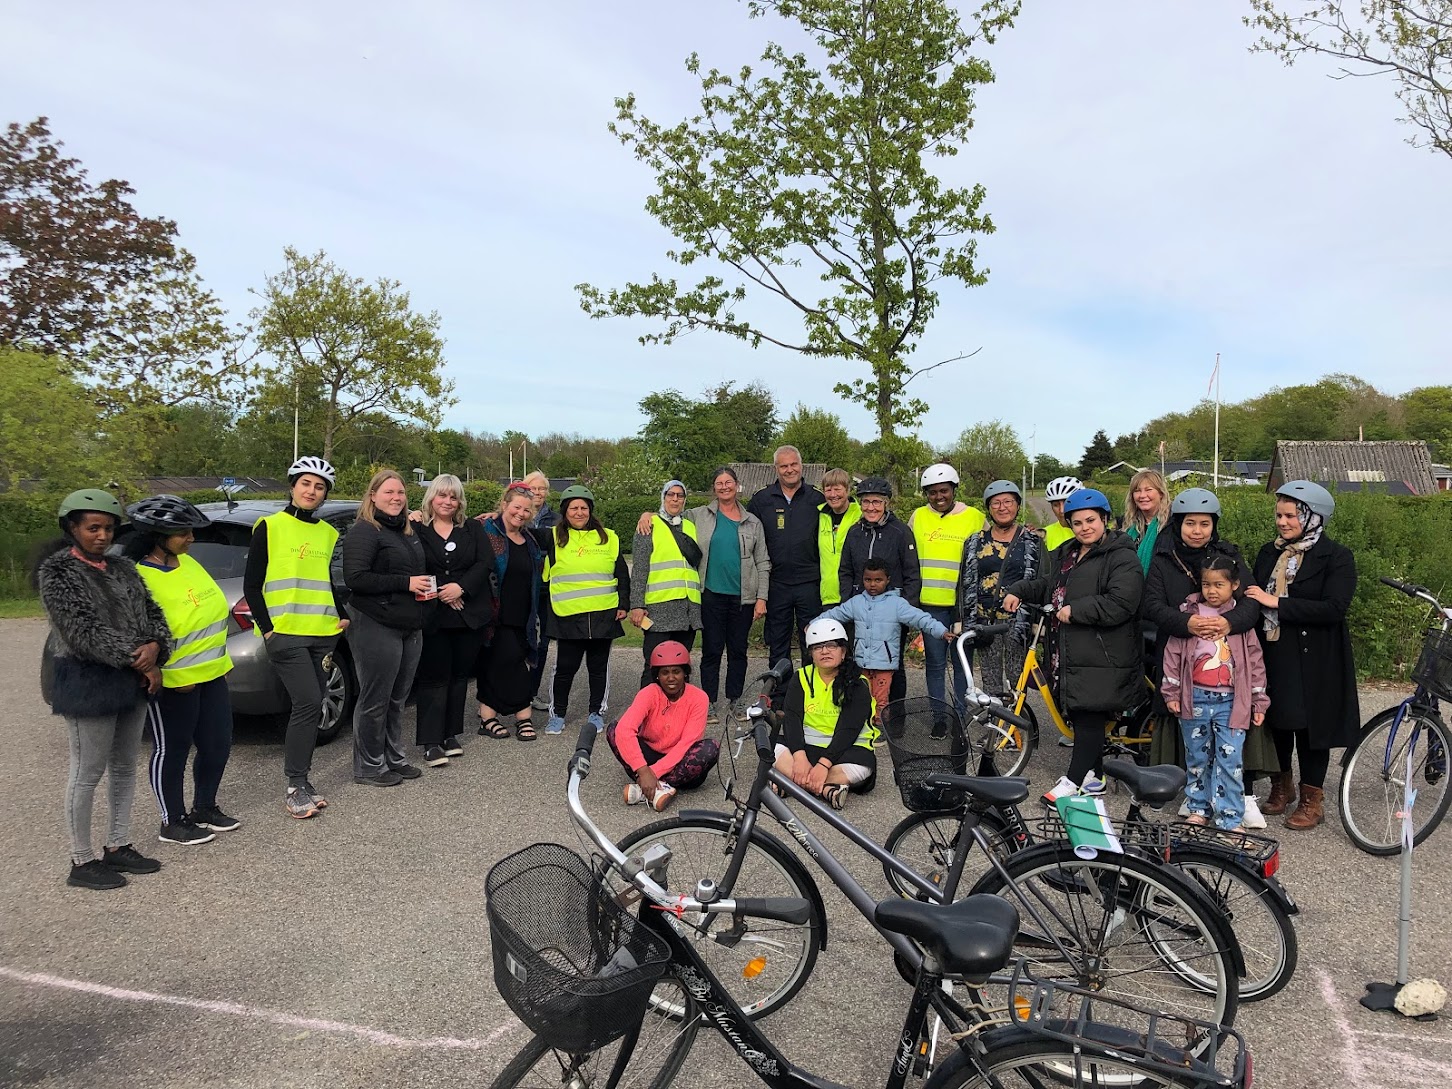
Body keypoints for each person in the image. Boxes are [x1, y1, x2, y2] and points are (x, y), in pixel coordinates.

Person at [37, 489, 171, 890]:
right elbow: (80, 631)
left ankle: (118, 844)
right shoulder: (58, 573)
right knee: (86, 771)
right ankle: (81, 860)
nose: (102, 535)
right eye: (93, 527)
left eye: (108, 528)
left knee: (125, 765)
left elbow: (152, 614)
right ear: (72, 528)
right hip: (88, 681)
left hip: (132, 680)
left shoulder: (123, 568)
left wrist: (156, 648)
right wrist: (137, 658)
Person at [1141, 488, 1272, 828]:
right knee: (1194, 746)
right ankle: (1194, 801)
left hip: (1230, 672)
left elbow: (1251, 601)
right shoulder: (1162, 557)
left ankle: (1236, 805)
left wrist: (1228, 623)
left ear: (1213, 525)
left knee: (1230, 749)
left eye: (1203, 524)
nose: (1196, 531)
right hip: (1183, 657)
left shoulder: (1228, 556)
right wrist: (1188, 623)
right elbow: (1151, 605)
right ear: (1178, 524)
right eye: (1189, 523)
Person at [1003, 488, 1144, 800]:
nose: (1085, 527)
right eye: (1077, 522)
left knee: (1089, 714)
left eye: (1091, 520)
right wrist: (1019, 590)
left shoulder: (1122, 556)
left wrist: (1077, 610)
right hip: (1072, 650)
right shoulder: (1068, 552)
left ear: (1105, 519)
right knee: (1081, 714)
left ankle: (1073, 781)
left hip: (1103, 653)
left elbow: (1123, 600)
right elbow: (1047, 584)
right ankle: (1094, 779)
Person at [124, 496, 238, 846]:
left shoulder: (187, 563)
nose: (191, 537)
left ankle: (204, 807)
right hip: (173, 683)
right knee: (171, 749)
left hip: (211, 673)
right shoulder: (137, 577)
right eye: (182, 532)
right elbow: (136, 634)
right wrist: (163, 669)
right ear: (156, 534)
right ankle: (172, 821)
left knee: (217, 744)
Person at [1246, 480, 1359, 830]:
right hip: (1274, 649)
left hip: (1314, 657)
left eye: (1291, 516)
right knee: (1277, 720)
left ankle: (1313, 799)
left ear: (1313, 517)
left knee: (1311, 730)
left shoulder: (1336, 557)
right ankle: (1282, 785)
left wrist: (1277, 602)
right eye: (1279, 515)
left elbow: (1333, 609)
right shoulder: (1269, 553)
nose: (1282, 522)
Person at [244, 455, 348, 820]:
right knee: (307, 702)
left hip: (322, 631)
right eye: (306, 483)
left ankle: (303, 781)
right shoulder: (269, 526)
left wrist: (343, 615)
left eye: (319, 487)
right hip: (285, 633)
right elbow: (252, 584)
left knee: (315, 701)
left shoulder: (328, 532)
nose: (312, 491)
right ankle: (295, 785)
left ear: (324, 495)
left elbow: (326, 580)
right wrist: (267, 627)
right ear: (293, 486)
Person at [1162, 556, 1270, 832]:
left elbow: (1255, 662)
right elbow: (1173, 655)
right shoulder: (1190, 615)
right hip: (1194, 698)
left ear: (1234, 585)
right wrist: (1171, 691)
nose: (1211, 590)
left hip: (1231, 703)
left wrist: (1259, 701)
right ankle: (1198, 807)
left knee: (1230, 760)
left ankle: (1230, 817)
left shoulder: (1239, 621)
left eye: (1219, 584)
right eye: (1206, 584)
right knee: (1197, 757)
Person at [343, 469, 428, 787]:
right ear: (373, 496)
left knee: (397, 698)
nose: (396, 497)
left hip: (408, 625)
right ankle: (368, 766)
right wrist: (406, 583)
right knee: (375, 698)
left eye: (401, 492)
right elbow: (356, 578)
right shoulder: (365, 531)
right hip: (375, 624)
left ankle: (394, 757)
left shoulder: (406, 530)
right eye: (389, 492)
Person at [414, 475, 493, 767]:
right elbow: (413, 565)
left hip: (466, 616)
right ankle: (430, 741)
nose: (447, 502)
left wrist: (461, 588)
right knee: (433, 677)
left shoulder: (472, 528)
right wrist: (443, 592)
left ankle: (450, 735)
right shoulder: (417, 529)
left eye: (453, 497)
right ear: (431, 498)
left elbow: (485, 562)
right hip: (433, 616)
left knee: (459, 677)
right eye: (442, 496)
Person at [816, 558, 952, 723]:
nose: (872, 584)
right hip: (862, 663)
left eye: (878, 580)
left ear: (887, 580)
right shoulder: (856, 602)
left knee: (881, 700)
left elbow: (921, 618)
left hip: (884, 666)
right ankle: (863, 726)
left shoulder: (897, 604)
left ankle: (880, 728)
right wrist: (814, 624)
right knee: (862, 697)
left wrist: (941, 631)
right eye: (868, 580)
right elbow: (836, 613)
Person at [542, 485, 629, 736]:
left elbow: (621, 573)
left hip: (603, 615)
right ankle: (557, 714)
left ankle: (596, 713)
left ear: (590, 510)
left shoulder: (609, 537)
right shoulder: (552, 536)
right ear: (565, 511)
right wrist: (495, 516)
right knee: (565, 669)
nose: (579, 512)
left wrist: (623, 604)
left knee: (598, 668)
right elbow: (519, 529)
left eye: (583, 508)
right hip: (568, 615)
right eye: (573, 508)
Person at [691, 467, 770, 722]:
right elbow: (668, 516)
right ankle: (709, 703)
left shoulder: (752, 522)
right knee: (712, 651)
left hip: (742, 598)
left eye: (728, 482)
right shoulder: (698, 516)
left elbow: (763, 561)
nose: (724, 487)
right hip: (711, 595)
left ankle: (736, 701)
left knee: (738, 650)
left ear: (737, 485)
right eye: (719, 483)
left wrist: (762, 597)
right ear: (714, 488)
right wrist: (649, 514)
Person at [773, 618, 877, 809]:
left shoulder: (857, 683)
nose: (825, 651)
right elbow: (792, 719)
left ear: (843, 651)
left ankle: (792, 783)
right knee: (771, 745)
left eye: (831, 646)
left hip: (846, 751)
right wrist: (799, 757)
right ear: (811, 653)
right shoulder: (801, 677)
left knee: (864, 767)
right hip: (807, 748)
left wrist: (823, 765)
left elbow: (849, 730)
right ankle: (826, 789)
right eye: (817, 647)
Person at [607, 641, 721, 812]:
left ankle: (649, 788)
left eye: (676, 672)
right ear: (657, 676)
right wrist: (643, 769)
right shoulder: (649, 692)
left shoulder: (699, 698)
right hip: (648, 760)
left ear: (685, 674)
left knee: (710, 748)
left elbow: (687, 743)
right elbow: (625, 729)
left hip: (681, 763)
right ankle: (660, 789)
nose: (671, 678)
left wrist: (652, 774)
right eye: (664, 672)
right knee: (614, 730)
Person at [839, 476, 920, 712]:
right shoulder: (854, 532)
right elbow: (845, 570)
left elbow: (912, 573)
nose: (870, 507)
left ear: (886, 503)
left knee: (892, 664)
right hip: (860, 610)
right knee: (858, 663)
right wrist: (848, 602)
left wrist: (906, 610)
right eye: (866, 502)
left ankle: (894, 718)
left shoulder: (901, 532)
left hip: (891, 610)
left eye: (876, 502)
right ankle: (861, 715)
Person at [956, 480, 1043, 698]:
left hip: (1017, 621)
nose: (1002, 507)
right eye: (996, 503)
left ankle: (1019, 726)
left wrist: (1037, 621)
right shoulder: (975, 541)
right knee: (990, 680)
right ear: (989, 508)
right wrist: (962, 619)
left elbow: (1042, 580)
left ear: (1017, 506)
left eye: (1008, 502)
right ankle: (995, 727)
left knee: (1018, 680)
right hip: (986, 621)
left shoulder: (1032, 541)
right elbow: (964, 582)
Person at [909, 464, 985, 712]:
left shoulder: (974, 517)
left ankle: (961, 714)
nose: (938, 497)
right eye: (932, 492)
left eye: (944, 491)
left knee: (963, 662)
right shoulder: (918, 516)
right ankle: (940, 716)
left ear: (954, 489)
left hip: (962, 605)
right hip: (930, 605)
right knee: (935, 663)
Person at [746, 445, 826, 670]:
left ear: (801, 466)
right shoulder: (762, 500)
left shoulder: (817, 499)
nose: (790, 470)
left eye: (794, 464)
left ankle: (811, 696)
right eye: (784, 466)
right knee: (778, 644)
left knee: (812, 641)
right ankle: (779, 697)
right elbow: (743, 529)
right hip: (777, 583)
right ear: (776, 468)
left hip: (810, 583)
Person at [477, 484, 546, 741]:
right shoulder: (485, 531)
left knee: (503, 664)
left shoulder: (530, 539)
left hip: (523, 615)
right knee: (509, 664)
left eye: (527, 510)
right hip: (493, 614)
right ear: (504, 505)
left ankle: (490, 717)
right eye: (516, 507)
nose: (521, 513)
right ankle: (520, 716)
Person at [630, 480, 702, 687]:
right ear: (663, 497)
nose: (675, 499)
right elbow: (640, 569)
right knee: (654, 667)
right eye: (671, 494)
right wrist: (637, 605)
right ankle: (647, 714)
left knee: (680, 668)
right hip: (659, 611)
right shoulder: (649, 525)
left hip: (688, 610)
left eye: (680, 495)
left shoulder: (690, 526)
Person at [521, 470, 560, 714]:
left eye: (541, 489)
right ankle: (506, 692)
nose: (537, 493)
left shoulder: (556, 520)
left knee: (542, 643)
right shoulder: (516, 515)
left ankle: (531, 693)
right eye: (532, 488)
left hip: (546, 589)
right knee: (513, 641)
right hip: (519, 588)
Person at [816, 468, 860, 608]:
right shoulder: (818, 515)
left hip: (855, 596)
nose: (833, 495)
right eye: (828, 490)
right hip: (828, 596)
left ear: (847, 490)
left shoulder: (861, 516)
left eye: (837, 489)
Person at [1123, 469, 1170, 575]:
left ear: (1161, 493)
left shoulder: (1171, 526)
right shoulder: (1127, 527)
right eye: (1137, 491)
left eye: (1148, 490)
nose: (1142, 495)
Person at [1042, 477, 1083, 552]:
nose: (1061, 510)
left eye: (1067, 503)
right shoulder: (1045, 534)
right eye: (1056, 505)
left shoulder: (1096, 530)